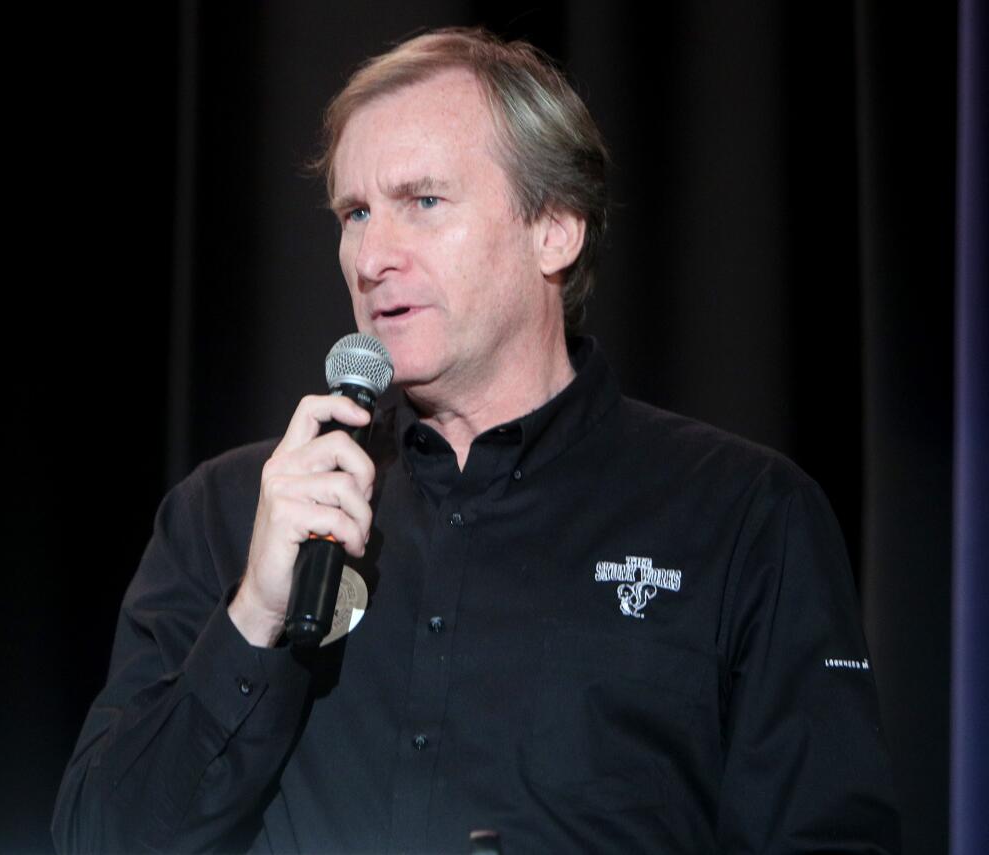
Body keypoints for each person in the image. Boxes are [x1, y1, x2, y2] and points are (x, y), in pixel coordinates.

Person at [53, 27, 899, 853]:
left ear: (555, 227)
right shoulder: (230, 511)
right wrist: (255, 614)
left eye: (422, 202)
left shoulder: (742, 515)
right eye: (355, 212)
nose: (372, 255)